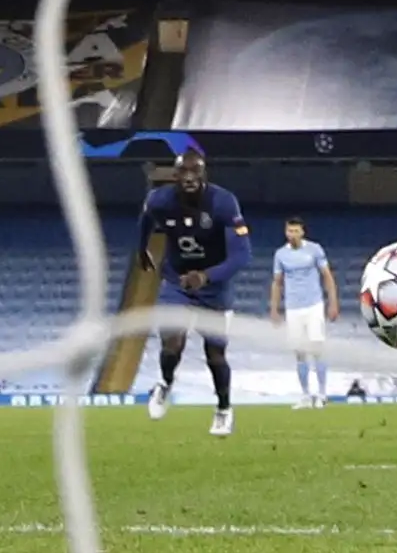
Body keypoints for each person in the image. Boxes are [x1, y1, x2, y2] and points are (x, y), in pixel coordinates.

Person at [140, 151, 250, 437]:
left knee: (215, 354)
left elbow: (242, 255)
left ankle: (223, 409)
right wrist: (142, 248)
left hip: (214, 288)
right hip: (177, 281)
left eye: (195, 172)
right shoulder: (160, 200)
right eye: (183, 172)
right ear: (175, 175)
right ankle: (165, 383)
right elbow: (146, 219)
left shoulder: (223, 202)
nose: (189, 177)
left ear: (204, 175)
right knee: (172, 342)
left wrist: (206, 276)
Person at [269, 217, 337, 408]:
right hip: (293, 307)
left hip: (313, 305)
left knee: (317, 349)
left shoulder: (314, 249)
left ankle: (322, 394)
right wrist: (274, 308)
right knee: (299, 352)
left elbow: (327, 276)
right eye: (289, 231)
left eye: (295, 231)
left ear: (302, 232)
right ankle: (306, 395)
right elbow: (277, 282)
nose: (292, 235)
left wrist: (332, 302)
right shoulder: (281, 254)